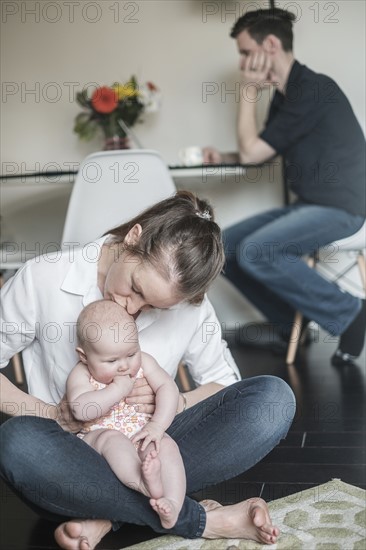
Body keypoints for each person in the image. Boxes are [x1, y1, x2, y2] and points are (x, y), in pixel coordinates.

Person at [0, 190, 295, 549]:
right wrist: (50, 414)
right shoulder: (44, 278)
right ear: (133, 238)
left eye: (155, 306)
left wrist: (173, 403)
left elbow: (224, 383)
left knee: (273, 399)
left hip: (151, 446)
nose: (133, 308)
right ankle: (201, 520)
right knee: (18, 443)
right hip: (71, 456)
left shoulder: (188, 306)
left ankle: (107, 514)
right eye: (136, 288)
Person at [203, 8, 366, 366]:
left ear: (271, 45)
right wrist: (225, 155)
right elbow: (258, 154)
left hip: (343, 209)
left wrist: (247, 91)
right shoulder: (286, 95)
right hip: (308, 205)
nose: (243, 62)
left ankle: (352, 314)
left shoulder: (312, 89)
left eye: (246, 52)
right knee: (224, 248)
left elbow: (252, 153)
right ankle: (290, 321)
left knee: (257, 251)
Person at [68, 299, 185, 529]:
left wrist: (157, 427)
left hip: (140, 432)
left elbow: (168, 387)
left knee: (167, 446)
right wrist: (115, 391)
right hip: (99, 438)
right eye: (112, 360)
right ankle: (143, 483)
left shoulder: (145, 363)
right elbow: (80, 409)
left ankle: (172, 505)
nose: (124, 366)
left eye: (131, 354)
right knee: (112, 440)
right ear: (84, 356)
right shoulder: (80, 374)